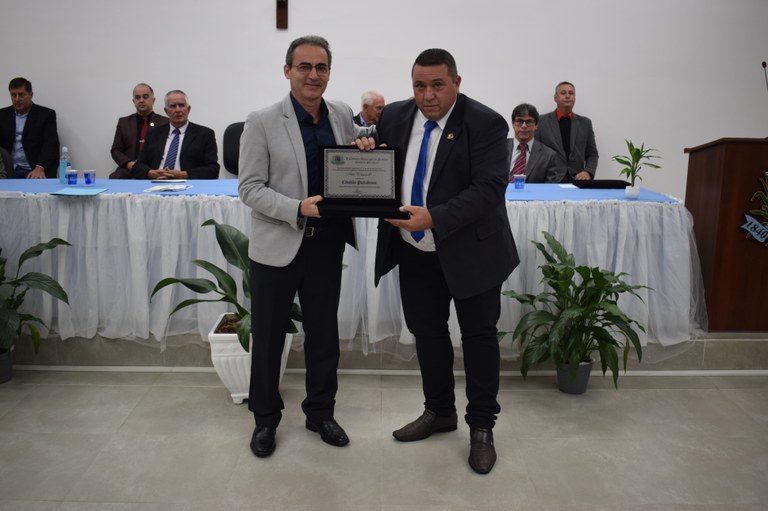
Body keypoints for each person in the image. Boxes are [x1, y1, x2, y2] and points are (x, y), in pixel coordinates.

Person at [369, 48, 518, 474]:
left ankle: (482, 427)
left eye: (437, 85)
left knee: (478, 338)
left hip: (473, 251)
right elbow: (382, 163)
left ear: (456, 81)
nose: (428, 95)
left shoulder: (486, 123)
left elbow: (488, 189)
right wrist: (366, 150)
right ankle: (439, 411)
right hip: (414, 250)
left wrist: (434, 217)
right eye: (419, 86)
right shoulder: (394, 116)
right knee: (428, 334)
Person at [238, 35, 374, 458]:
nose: (313, 75)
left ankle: (320, 412)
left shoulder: (341, 114)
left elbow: (356, 153)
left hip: (326, 244)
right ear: (287, 71)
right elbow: (249, 189)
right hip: (277, 245)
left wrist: (365, 146)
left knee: (323, 335)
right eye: (304, 67)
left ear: (329, 73)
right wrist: (296, 208)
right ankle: (265, 419)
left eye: (321, 67)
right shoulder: (261, 121)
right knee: (268, 338)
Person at [131, 90, 219, 179]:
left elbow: (213, 170)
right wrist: (150, 173)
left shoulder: (205, 134)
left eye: (181, 105)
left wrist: (183, 175)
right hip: (156, 182)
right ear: (166, 111)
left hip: (187, 183)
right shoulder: (154, 134)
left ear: (188, 109)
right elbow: (138, 166)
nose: (178, 110)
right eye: (173, 106)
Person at [534, 81, 598, 182]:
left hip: (578, 180)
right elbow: (534, 152)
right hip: (550, 180)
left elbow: (592, 154)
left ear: (575, 97)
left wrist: (588, 172)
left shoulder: (585, 123)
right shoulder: (541, 121)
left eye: (571, 93)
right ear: (555, 98)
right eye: (563, 93)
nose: (567, 96)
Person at [0, 77, 59, 179]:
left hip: (33, 169)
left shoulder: (45, 115)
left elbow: (50, 144)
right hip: (8, 169)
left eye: (21, 95)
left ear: (31, 95)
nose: (17, 99)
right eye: (13, 95)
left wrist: (40, 167)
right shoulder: (2, 115)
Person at [109, 83, 169, 179]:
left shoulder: (165, 122)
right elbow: (116, 150)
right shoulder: (124, 122)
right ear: (134, 101)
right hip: (130, 168)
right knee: (115, 177)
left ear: (153, 100)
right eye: (137, 97)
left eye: (145, 97)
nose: (141, 100)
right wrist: (128, 163)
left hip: (155, 168)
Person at [507, 103, 562, 183]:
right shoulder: (498, 148)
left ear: (536, 125)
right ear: (513, 124)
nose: (524, 126)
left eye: (529, 122)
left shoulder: (549, 155)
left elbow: (550, 187)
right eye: (519, 121)